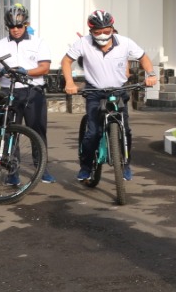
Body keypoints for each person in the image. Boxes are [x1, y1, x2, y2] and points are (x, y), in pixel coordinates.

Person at [61, 9, 159, 182]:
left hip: (118, 91)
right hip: (95, 92)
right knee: (92, 133)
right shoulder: (83, 43)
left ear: (112, 28)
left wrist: (150, 74)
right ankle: (85, 166)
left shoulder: (125, 42)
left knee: (126, 129)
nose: (102, 35)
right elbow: (66, 61)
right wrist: (69, 82)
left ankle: (125, 164)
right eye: (97, 32)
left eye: (106, 31)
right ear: (91, 31)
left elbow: (144, 58)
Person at [0, 5, 56, 183]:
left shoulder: (38, 42)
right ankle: (12, 172)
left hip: (33, 91)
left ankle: (41, 168)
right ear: (7, 27)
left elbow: (45, 68)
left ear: (26, 24)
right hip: (8, 92)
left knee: (37, 131)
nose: (15, 30)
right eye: (12, 27)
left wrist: (26, 72)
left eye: (19, 26)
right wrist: (1, 72)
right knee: (9, 133)